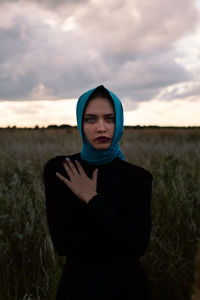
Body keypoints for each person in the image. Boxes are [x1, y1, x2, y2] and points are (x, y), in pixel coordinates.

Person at [43, 85, 153, 300]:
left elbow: (138, 245)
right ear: (80, 123)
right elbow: (63, 244)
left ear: (119, 122)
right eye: (91, 119)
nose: (101, 128)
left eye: (110, 119)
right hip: (79, 288)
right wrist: (119, 232)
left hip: (127, 289)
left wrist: (92, 199)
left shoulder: (138, 178)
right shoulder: (62, 169)